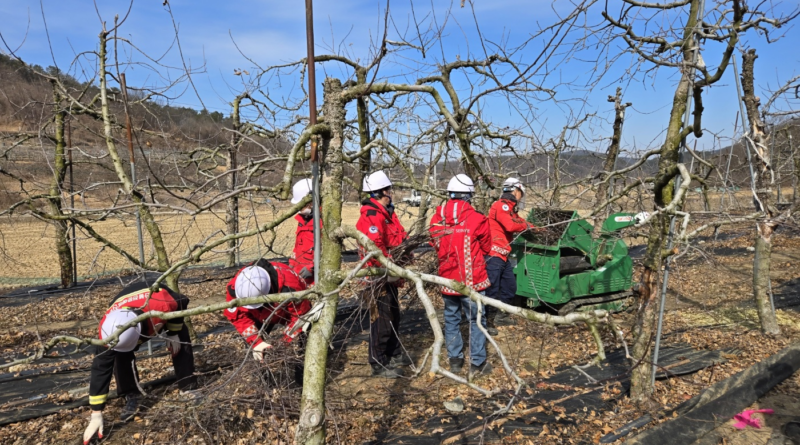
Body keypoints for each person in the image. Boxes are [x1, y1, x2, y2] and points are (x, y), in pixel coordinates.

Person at [83, 282, 196, 445]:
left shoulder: (163, 303)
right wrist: (96, 413)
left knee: (181, 342)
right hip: (123, 309)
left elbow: (180, 301)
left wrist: (174, 332)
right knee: (120, 357)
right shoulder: (107, 331)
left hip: (153, 301)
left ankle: (188, 388)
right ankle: (132, 394)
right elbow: (100, 370)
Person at [429, 174, 493, 379]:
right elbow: (487, 246)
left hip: (447, 280)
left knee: (451, 319)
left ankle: (455, 360)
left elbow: (433, 243)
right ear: (469, 196)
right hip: (473, 281)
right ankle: (477, 363)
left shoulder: (436, 217)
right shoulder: (477, 218)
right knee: (477, 321)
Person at [356, 170, 412, 378]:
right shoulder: (372, 216)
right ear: (381, 192)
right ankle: (378, 362)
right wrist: (389, 266)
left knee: (394, 315)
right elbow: (375, 248)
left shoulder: (388, 213)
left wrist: (406, 250)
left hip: (391, 273)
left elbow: (400, 235)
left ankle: (393, 352)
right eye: (388, 190)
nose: (391, 193)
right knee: (381, 319)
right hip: (378, 275)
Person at [224, 259, 312, 360]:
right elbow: (238, 317)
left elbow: (299, 318)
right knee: (255, 349)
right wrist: (256, 342)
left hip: (286, 312)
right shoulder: (235, 287)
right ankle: (262, 371)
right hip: (257, 315)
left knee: (304, 337)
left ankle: (302, 371)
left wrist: (284, 343)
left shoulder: (291, 288)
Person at [485, 177, 538, 327]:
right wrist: (527, 226)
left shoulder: (510, 209)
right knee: (492, 290)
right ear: (515, 191)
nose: (521, 196)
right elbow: (510, 226)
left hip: (503, 255)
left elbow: (518, 221)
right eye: (520, 193)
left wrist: (535, 227)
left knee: (510, 287)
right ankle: (486, 322)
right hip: (493, 255)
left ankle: (501, 317)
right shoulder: (501, 206)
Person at [288, 178, 319, 284]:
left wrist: (312, 268)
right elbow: (297, 246)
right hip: (299, 273)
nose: (299, 209)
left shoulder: (322, 222)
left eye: (302, 205)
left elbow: (326, 250)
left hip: (315, 278)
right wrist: (292, 263)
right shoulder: (302, 220)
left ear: (311, 202)